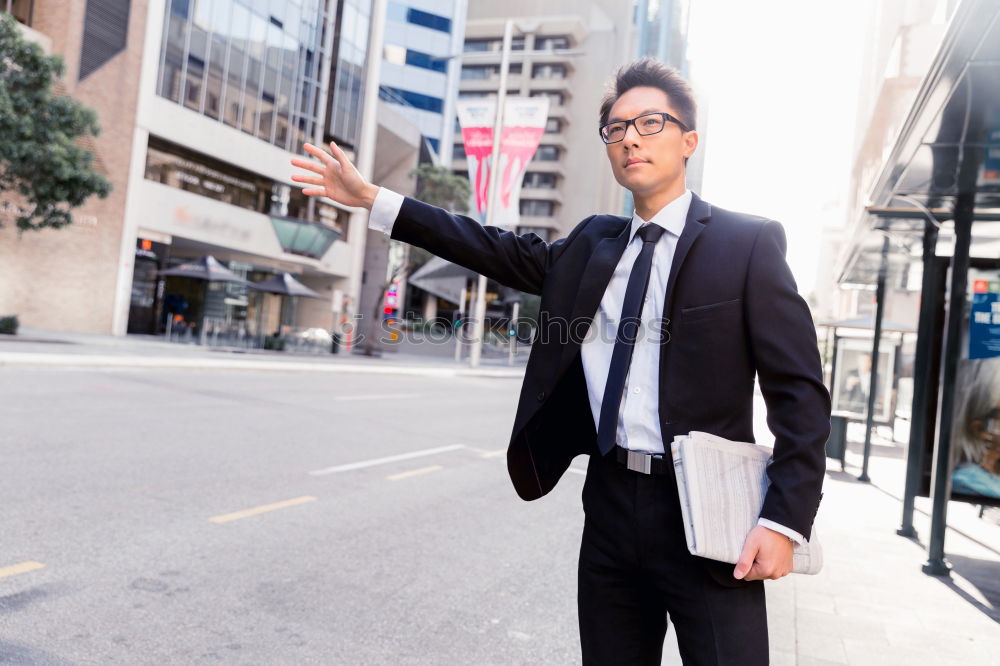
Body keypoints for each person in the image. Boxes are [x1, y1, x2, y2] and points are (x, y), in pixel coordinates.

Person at [291, 57, 831, 665]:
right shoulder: (590, 246)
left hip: (708, 514)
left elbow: (800, 397)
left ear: (689, 140)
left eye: (650, 123)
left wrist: (783, 521)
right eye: (617, 129)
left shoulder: (747, 243)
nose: (630, 137)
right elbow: (487, 246)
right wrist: (373, 200)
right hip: (608, 506)